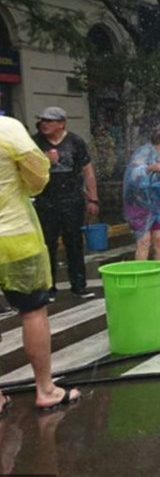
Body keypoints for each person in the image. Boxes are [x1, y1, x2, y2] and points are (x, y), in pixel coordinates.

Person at [0, 116, 81, 412]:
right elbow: (37, 178)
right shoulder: (7, 129)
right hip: (15, 236)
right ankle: (45, 389)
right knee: (33, 311)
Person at [32, 106, 98, 301]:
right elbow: (28, 169)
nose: (44, 124)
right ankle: (49, 288)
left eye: (49, 121)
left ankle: (79, 286)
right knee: (48, 245)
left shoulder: (75, 141)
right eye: (42, 120)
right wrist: (45, 161)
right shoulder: (35, 142)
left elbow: (87, 170)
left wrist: (93, 198)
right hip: (46, 200)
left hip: (72, 199)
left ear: (61, 123)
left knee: (74, 244)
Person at [123, 128, 160, 261]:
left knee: (159, 239)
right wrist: (149, 168)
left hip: (158, 203)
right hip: (139, 203)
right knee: (144, 241)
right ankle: (142, 275)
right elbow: (133, 174)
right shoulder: (143, 153)